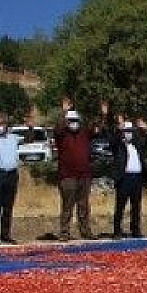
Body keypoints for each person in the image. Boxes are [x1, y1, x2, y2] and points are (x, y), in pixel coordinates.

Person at [53, 99, 97, 240]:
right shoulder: (62, 135)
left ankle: (85, 231)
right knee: (67, 205)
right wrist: (64, 112)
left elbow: (96, 127)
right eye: (70, 120)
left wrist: (102, 114)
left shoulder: (84, 133)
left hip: (84, 175)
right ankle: (64, 232)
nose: (73, 123)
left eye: (75, 120)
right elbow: (58, 127)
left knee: (83, 205)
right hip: (67, 176)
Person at [108, 111, 147, 238]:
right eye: (126, 131)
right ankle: (117, 230)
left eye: (131, 131)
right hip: (124, 178)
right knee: (120, 206)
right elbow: (112, 141)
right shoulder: (119, 146)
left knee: (136, 206)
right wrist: (118, 130)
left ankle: (135, 229)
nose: (129, 134)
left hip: (136, 178)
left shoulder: (137, 145)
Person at [0, 110, 23, 244]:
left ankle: (5, 234)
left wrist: (29, 126)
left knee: (8, 206)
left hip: (12, 174)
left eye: (3, 123)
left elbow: (30, 137)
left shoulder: (13, 137)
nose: (1, 126)